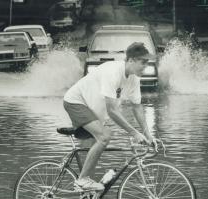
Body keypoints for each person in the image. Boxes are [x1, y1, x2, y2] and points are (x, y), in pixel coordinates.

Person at [63, 42, 157, 191]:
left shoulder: (134, 79)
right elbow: (112, 110)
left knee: (96, 147)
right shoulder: (113, 72)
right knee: (105, 136)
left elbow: (137, 107)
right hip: (76, 101)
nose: (145, 66)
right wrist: (133, 132)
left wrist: (147, 134)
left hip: (93, 110)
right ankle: (82, 180)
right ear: (131, 60)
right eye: (143, 62)